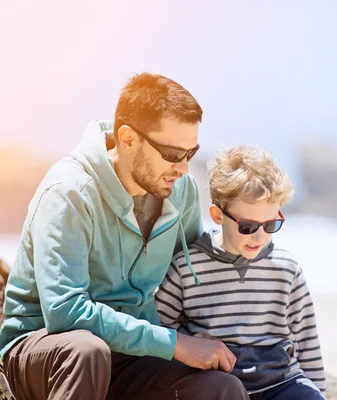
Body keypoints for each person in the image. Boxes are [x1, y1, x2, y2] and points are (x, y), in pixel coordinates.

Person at [0, 73, 249, 400]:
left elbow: (191, 280)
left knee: (221, 387)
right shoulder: (70, 193)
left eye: (190, 153)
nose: (184, 168)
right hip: (46, 349)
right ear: (128, 139)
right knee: (88, 351)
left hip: (129, 354)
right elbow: (66, 313)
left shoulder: (181, 192)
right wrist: (173, 344)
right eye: (173, 153)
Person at [156, 145, 327, 400]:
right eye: (247, 226)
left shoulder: (286, 268)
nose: (260, 236)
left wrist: (318, 393)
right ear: (217, 215)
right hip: (217, 385)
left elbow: (307, 340)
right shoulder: (187, 266)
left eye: (270, 224)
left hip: (281, 383)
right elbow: (161, 328)